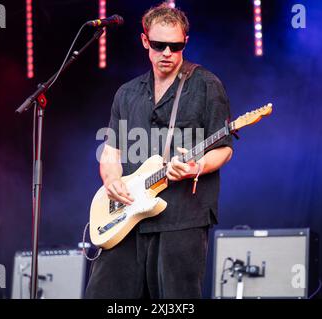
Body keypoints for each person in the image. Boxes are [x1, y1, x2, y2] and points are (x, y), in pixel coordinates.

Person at [85, 3, 233, 299]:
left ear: (185, 44)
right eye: (159, 45)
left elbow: (224, 149)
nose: (167, 53)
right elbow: (111, 150)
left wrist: (197, 167)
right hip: (126, 217)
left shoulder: (206, 85)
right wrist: (111, 178)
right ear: (144, 41)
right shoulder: (127, 93)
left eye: (175, 46)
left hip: (182, 217)